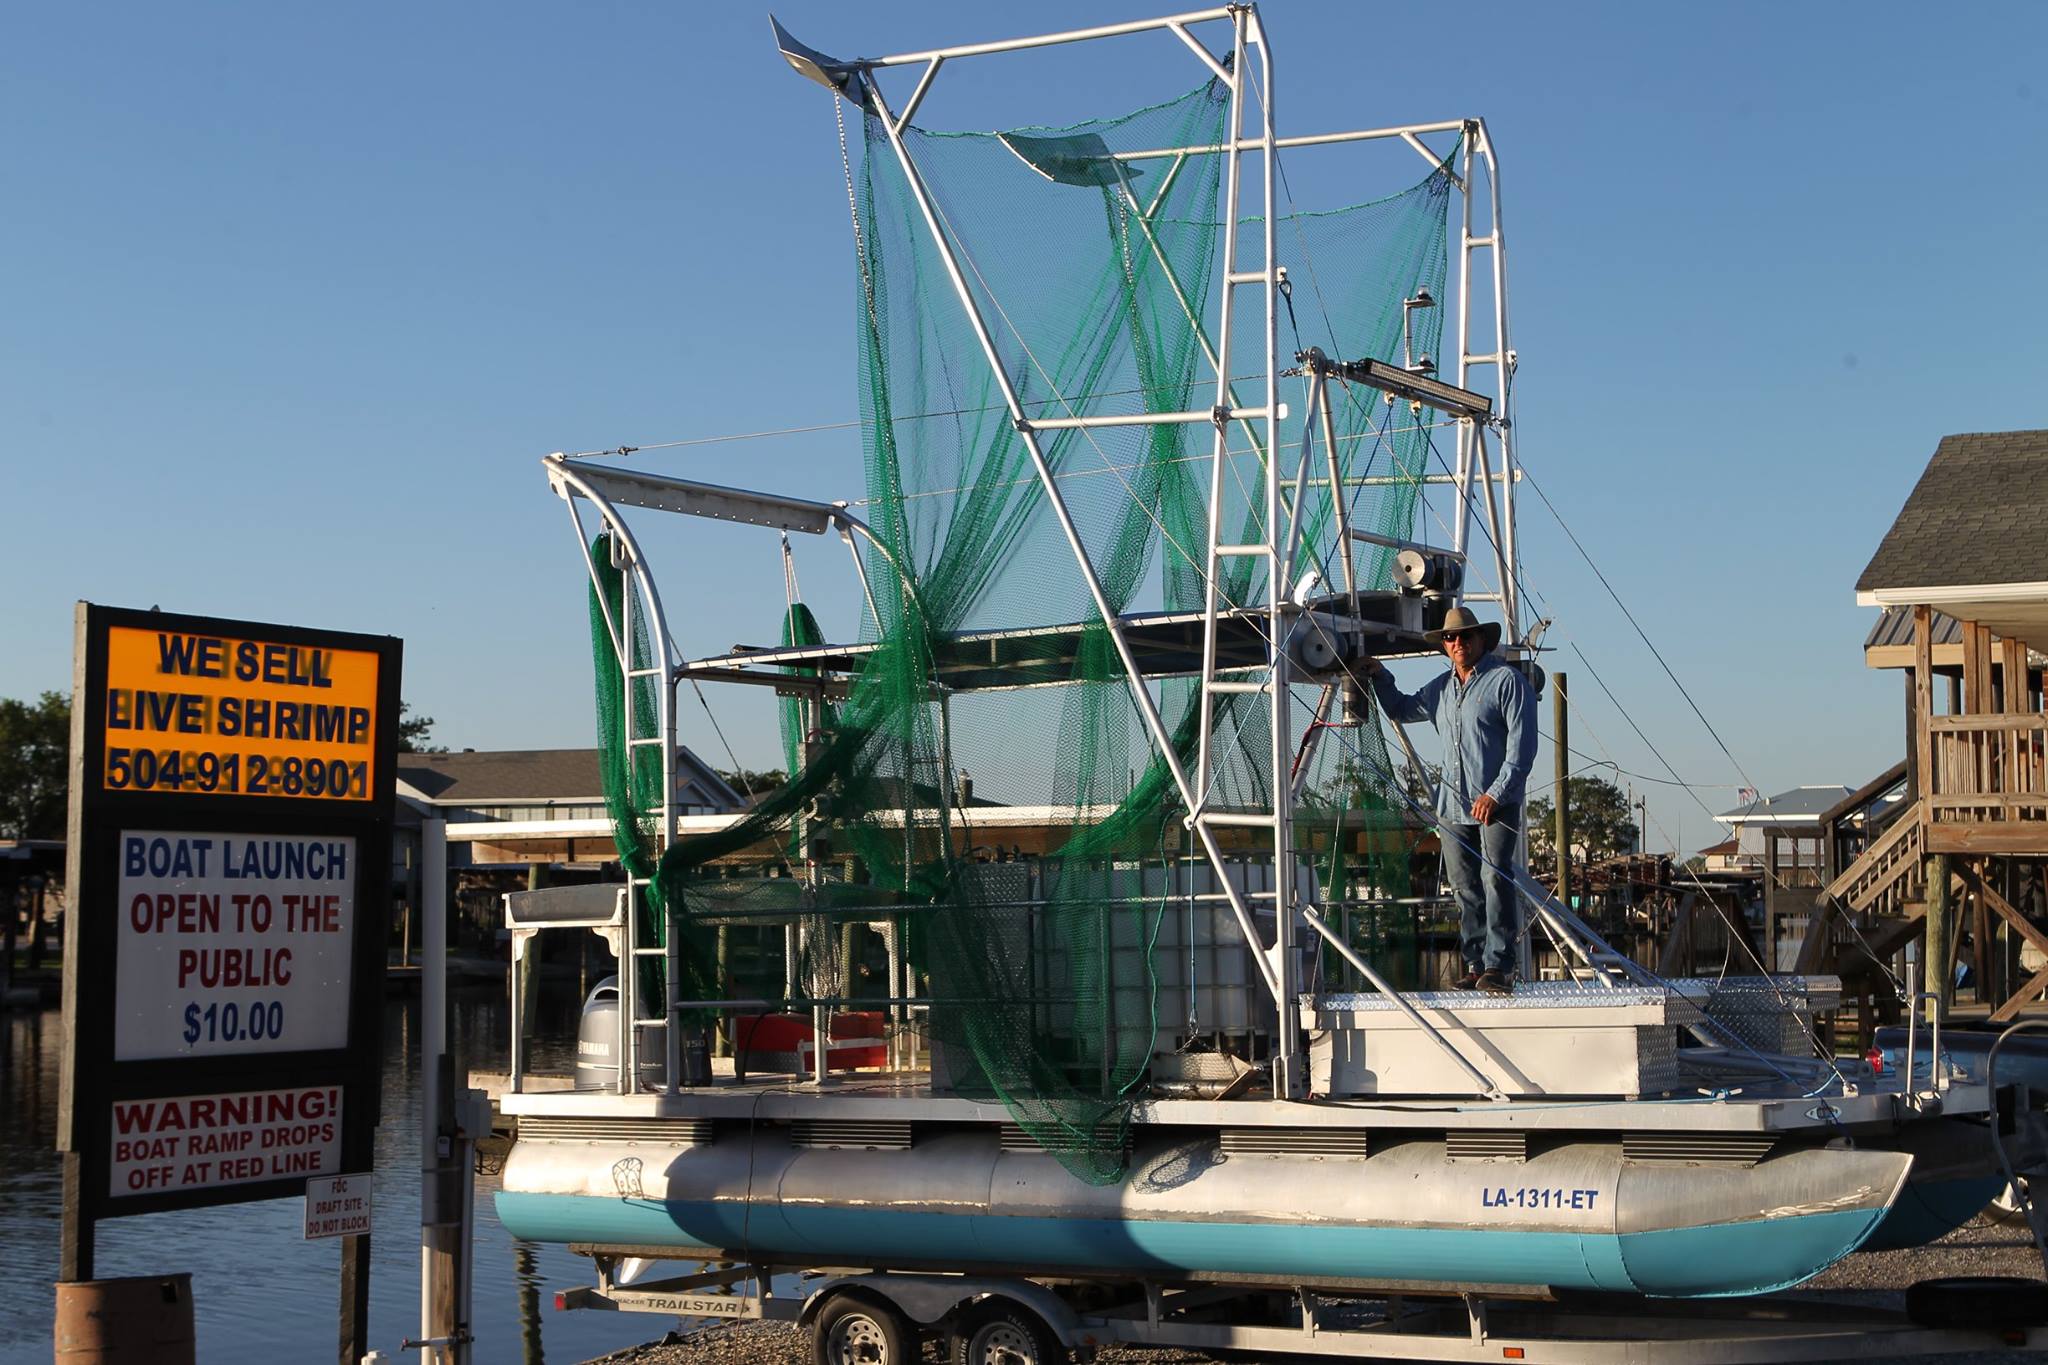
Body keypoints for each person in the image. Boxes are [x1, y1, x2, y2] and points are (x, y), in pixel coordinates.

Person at [1361, 606, 1535, 994]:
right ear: (1444, 644)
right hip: (1452, 806)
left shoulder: (1506, 681)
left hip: (1495, 804)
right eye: (1450, 638)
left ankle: (1499, 966)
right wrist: (1379, 675)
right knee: (1463, 886)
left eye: (1464, 636)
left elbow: (1522, 749)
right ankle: (1476, 964)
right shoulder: (1440, 687)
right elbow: (1401, 708)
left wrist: (1495, 793)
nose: (1458, 643)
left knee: (1495, 877)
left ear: (1480, 639)